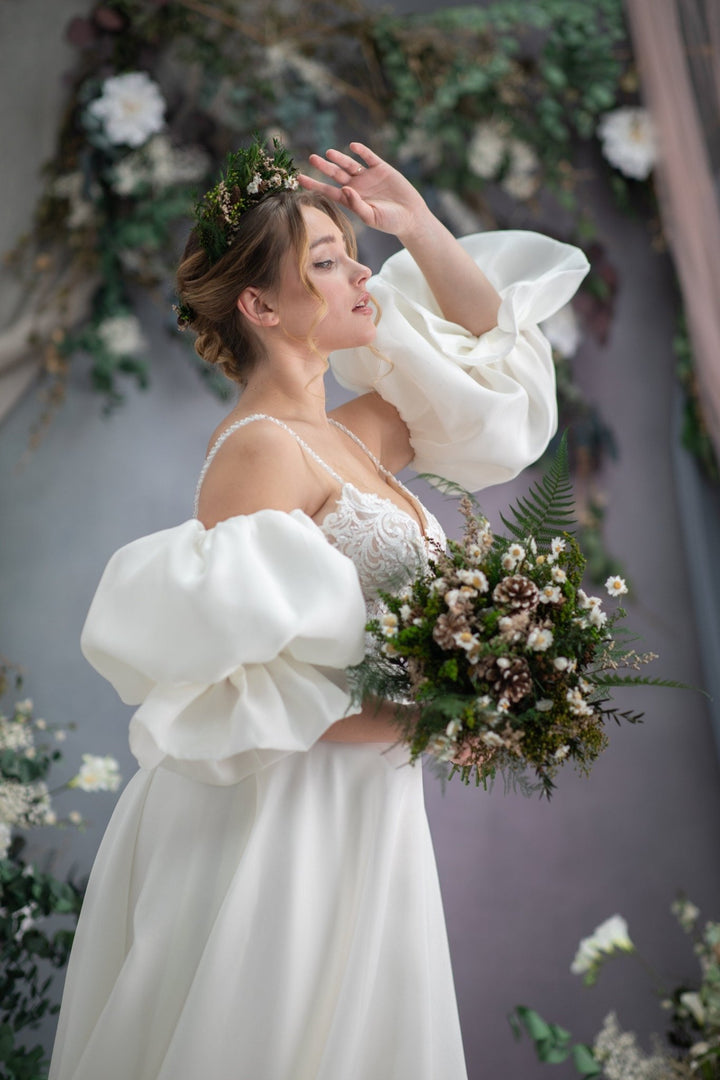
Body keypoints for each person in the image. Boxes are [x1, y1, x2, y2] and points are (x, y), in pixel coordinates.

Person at [48, 139, 588, 1080]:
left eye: (350, 252)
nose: (358, 274)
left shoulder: (360, 438)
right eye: (325, 263)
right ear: (261, 307)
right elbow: (234, 683)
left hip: (367, 804)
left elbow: (497, 374)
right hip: (276, 816)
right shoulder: (261, 451)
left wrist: (416, 222)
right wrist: (437, 715)